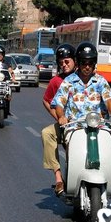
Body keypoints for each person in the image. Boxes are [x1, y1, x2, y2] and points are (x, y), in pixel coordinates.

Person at [53, 42, 111, 171]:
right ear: (78, 63)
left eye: (90, 63)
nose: (87, 67)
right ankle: (71, 171)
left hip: (99, 124)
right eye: (84, 63)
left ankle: (110, 167)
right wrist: (62, 116)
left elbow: (109, 101)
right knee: (70, 146)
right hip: (75, 125)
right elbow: (59, 103)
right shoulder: (68, 81)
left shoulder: (101, 81)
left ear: (94, 64)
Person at [41, 43, 77, 196]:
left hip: (85, 124)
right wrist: (58, 117)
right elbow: (47, 100)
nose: (64, 64)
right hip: (65, 124)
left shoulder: (86, 78)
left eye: (67, 61)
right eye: (61, 62)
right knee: (46, 133)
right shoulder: (56, 81)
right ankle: (58, 178)